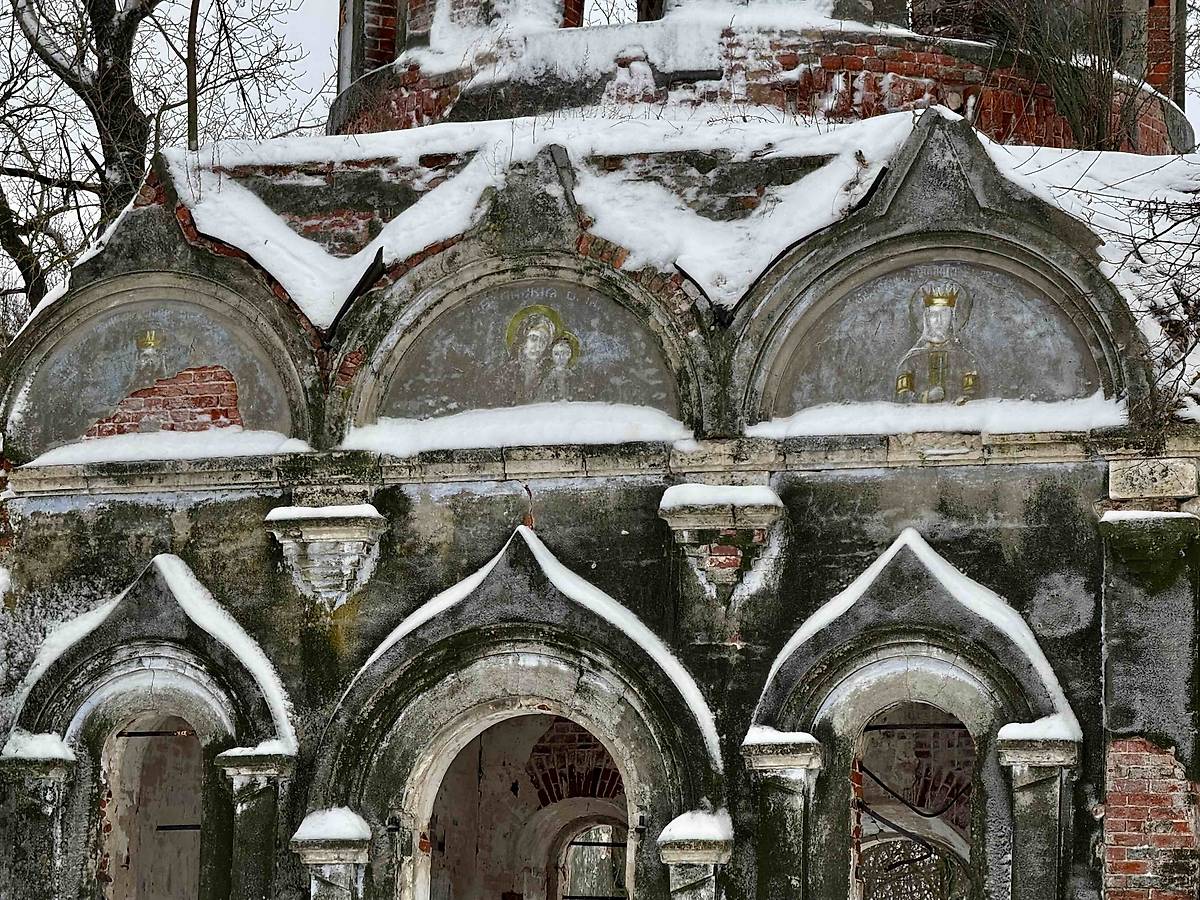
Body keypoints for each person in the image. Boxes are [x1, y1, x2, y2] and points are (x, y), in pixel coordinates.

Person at [895, 282, 980, 404]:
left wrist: (964, 400)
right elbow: (901, 396)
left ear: (952, 319)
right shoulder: (912, 360)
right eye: (934, 315)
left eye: (944, 314)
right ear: (926, 319)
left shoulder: (965, 359)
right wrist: (925, 397)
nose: (938, 320)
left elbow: (974, 393)